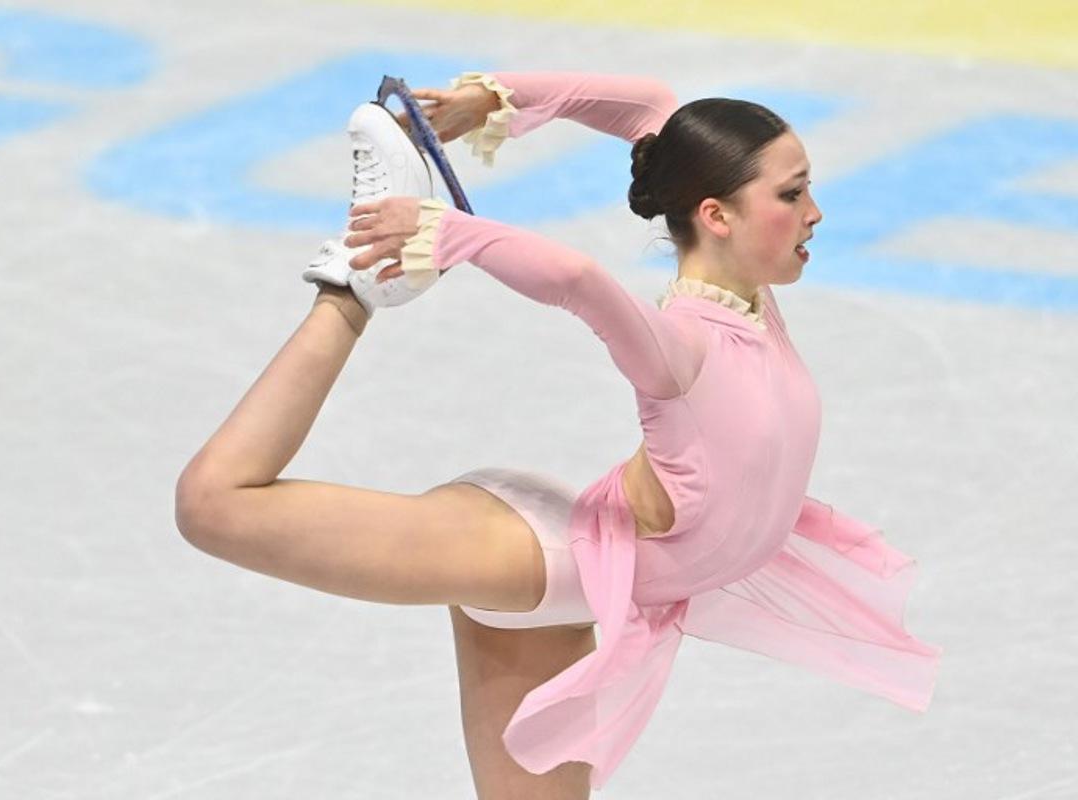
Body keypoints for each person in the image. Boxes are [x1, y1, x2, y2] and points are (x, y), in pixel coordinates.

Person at [175, 71, 942, 798]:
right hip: (538, 559)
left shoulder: (750, 302)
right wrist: (450, 234)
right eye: (793, 193)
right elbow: (578, 281)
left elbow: (650, 106)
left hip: (575, 577)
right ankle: (355, 284)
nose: (816, 212)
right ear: (716, 215)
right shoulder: (685, 344)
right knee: (213, 503)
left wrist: (496, 97)